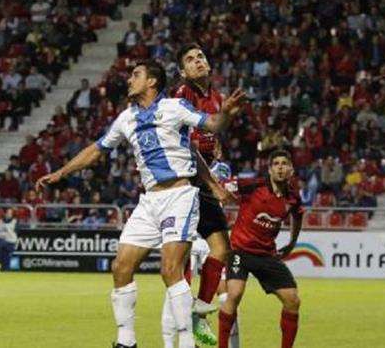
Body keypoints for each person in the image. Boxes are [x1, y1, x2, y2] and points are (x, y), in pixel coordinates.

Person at [36, 60, 244, 348]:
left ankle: (186, 341)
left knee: (170, 269)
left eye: (136, 75)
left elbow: (211, 123)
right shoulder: (126, 118)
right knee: (121, 266)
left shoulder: (173, 107)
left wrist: (226, 115)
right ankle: (127, 341)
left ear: (151, 82)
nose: (129, 80)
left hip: (179, 195)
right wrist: (61, 172)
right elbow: (96, 150)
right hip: (149, 201)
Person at [171, 43, 236, 344]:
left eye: (201, 57)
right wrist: (212, 184)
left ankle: (199, 312)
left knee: (221, 249)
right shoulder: (182, 95)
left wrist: (215, 147)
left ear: (208, 65)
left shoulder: (216, 98)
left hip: (203, 178)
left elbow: (208, 136)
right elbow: (186, 146)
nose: (197, 62)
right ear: (183, 71)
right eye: (190, 60)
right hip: (181, 182)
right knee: (181, 255)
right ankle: (184, 322)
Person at [217, 149, 304, 348]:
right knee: (234, 294)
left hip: (266, 254)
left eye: (285, 164)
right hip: (240, 250)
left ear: (291, 169)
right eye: (276, 164)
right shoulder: (252, 185)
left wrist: (292, 242)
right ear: (270, 169)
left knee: (293, 300)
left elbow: (298, 216)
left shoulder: (292, 198)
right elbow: (223, 186)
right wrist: (222, 195)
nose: (281, 167)